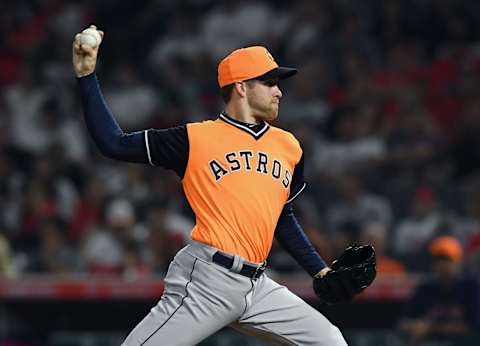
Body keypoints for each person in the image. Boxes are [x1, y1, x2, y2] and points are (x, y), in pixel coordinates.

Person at [72, 25, 347, 346]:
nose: (279, 91)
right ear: (241, 87)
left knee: (330, 341)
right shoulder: (193, 138)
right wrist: (86, 75)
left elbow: (281, 217)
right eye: (269, 82)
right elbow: (113, 144)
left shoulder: (289, 146)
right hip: (207, 279)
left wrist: (320, 271)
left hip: (258, 285)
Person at [399, 236, 480, 342]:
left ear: (459, 263)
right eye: (438, 260)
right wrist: (414, 326)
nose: (442, 264)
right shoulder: (425, 288)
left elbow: (472, 327)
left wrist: (431, 328)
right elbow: (403, 322)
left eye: (448, 260)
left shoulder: (470, 287)